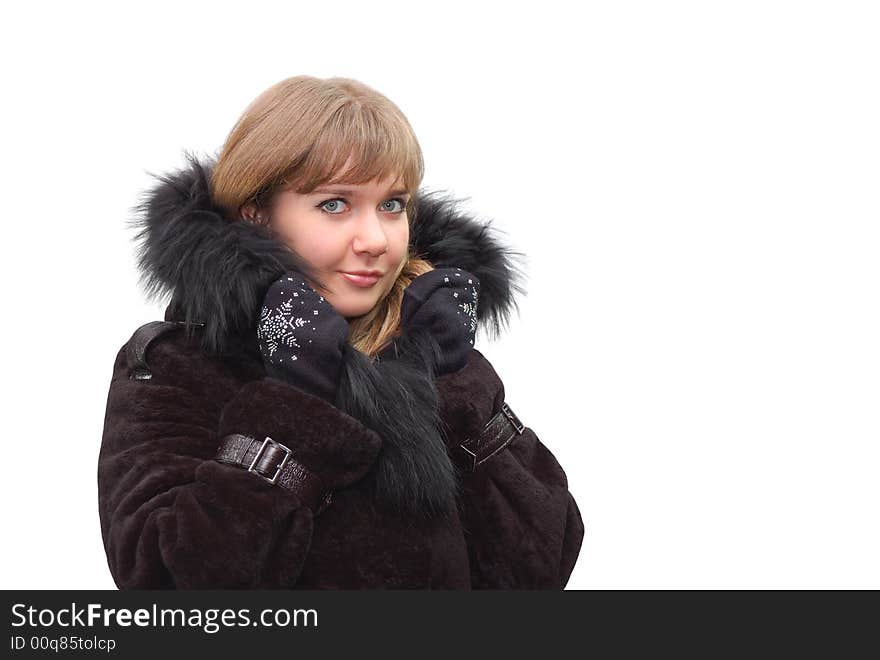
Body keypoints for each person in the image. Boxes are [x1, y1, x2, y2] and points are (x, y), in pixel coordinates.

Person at [98, 75, 585, 589]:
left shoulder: (423, 348)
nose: (376, 239)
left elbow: (544, 565)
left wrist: (454, 386)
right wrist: (294, 408)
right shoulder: (176, 365)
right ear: (257, 215)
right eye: (335, 205)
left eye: (393, 204)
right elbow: (164, 584)